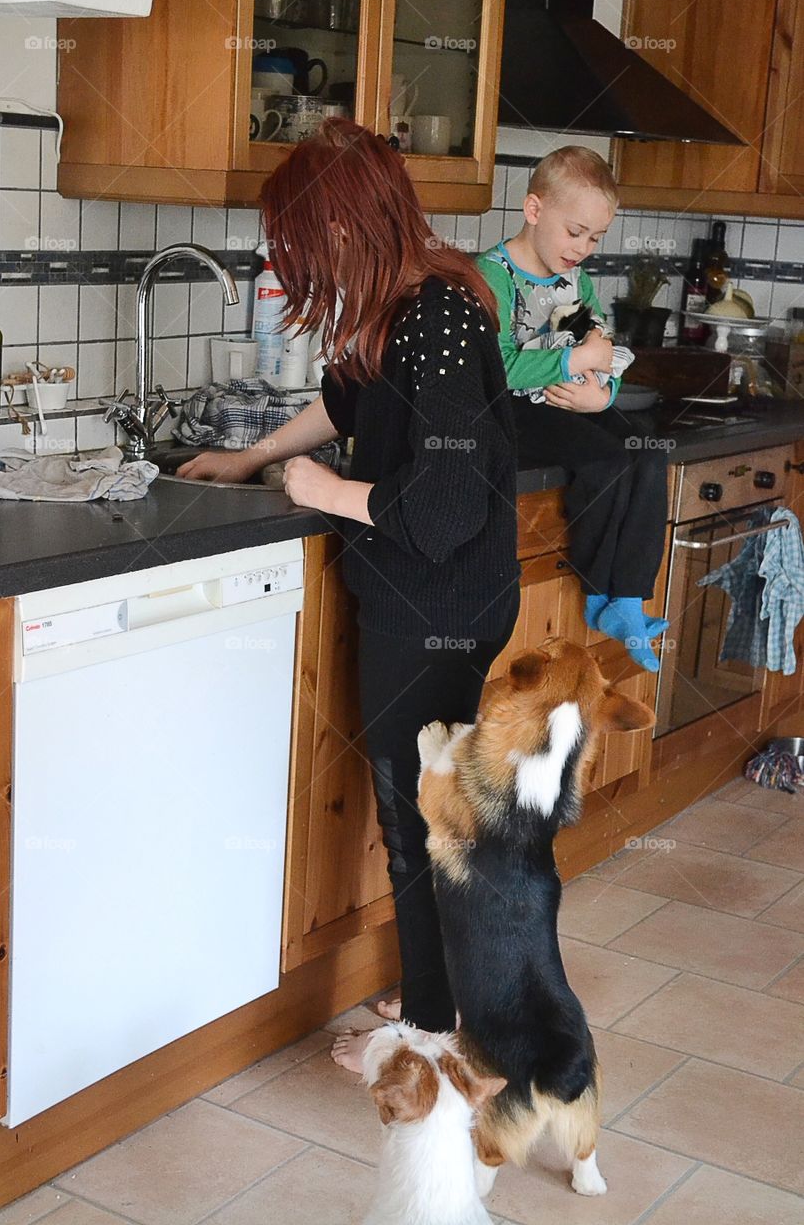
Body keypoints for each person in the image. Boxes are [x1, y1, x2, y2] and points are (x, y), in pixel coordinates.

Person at [178, 120, 520, 1069]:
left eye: (293, 243)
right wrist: (251, 456)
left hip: (437, 605)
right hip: (434, 598)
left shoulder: (436, 316)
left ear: (338, 229)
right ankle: (438, 1007)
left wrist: (324, 490)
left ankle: (432, 1030)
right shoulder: (404, 301)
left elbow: (445, 505)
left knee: (418, 824)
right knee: (427, 813)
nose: (285, 265)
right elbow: (347, 400)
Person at [477, 146, 668, 670]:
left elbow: (599, 353)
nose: (582, 248)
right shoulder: (492, 277)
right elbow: (498, 368)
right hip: (511, 414)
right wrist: (571, 363)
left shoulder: (573, 283)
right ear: (534, 210)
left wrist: (600, 393)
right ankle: (597, 591)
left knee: (649, 451)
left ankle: (627, 598)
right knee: (606, 462)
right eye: (575, 231)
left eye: (595, 238)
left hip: (566, 403)